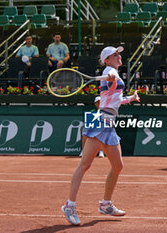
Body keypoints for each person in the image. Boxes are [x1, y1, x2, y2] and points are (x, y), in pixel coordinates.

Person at [61, 46, 140, 225]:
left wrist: (131, 98)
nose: (119, 56)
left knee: (118, 166)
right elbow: (109, 80)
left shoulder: (115, 74)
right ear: (107, 60)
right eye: (115, 55)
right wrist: (110, 78)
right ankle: (69, 205)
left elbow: (116, 99)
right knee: (84, 165)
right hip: (100, 121)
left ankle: (106, 204)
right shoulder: (109, 71)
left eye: (119, 54)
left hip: (109, 123)